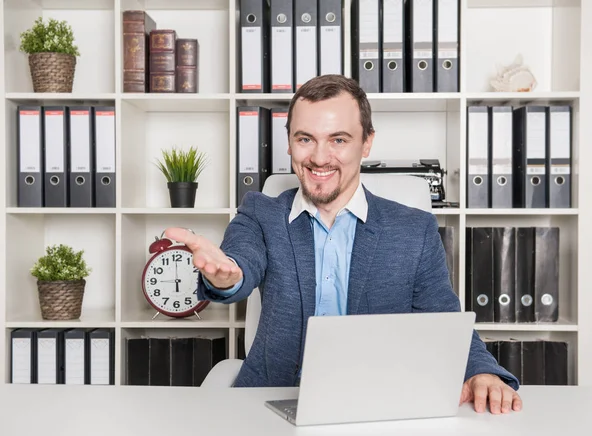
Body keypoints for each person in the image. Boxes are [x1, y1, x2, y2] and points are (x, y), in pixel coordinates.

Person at [165, 74, 522, 415]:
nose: (320, 158)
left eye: (338, 140)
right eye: (305, 139)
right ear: (288, 141)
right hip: (270, 399)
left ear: (367, 142)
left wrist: (481, 371)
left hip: (376, 403)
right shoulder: (261, 212)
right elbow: (240, 262)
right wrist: (225, 277)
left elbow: (444, 316)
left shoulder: (414, 228)